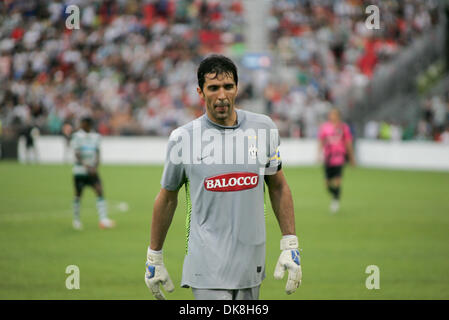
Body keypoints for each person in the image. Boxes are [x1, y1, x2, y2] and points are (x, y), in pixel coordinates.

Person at [144, 55, 302, 300]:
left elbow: (278, 186)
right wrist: (154, 255)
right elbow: (167, 198)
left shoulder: (264, 128)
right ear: (200, 91)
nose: (221, 95)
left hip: (251, 264)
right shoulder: (183, 138)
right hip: (206, 266)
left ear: (237, 88)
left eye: (228, 87)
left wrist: (290, 242)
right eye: (213, 88)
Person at [70, 116, 115, 230]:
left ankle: (103, 219)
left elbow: (98, 152)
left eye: (84, 123)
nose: (82, 125)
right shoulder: (77, 136)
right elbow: (77, 153)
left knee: (99, 190)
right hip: (80, 171)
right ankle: (76, 220)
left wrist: (95, 166)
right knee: (78, 195)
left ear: (89, 124)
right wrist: (86, 166)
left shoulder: (96, 137)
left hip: (92, 171)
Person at [318, 108, 355, 213]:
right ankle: (335, 195)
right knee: (327, 184)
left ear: (338, 116)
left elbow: (348, 143)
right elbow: (321, 140)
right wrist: (318, 153)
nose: (331, 116)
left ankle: (335, 201)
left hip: (339, 158)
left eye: (333, 114)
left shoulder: (344, 127)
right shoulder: (325, 127)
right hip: (328, 158)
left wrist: (352, 158)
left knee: (338, 181)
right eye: (330, 114)